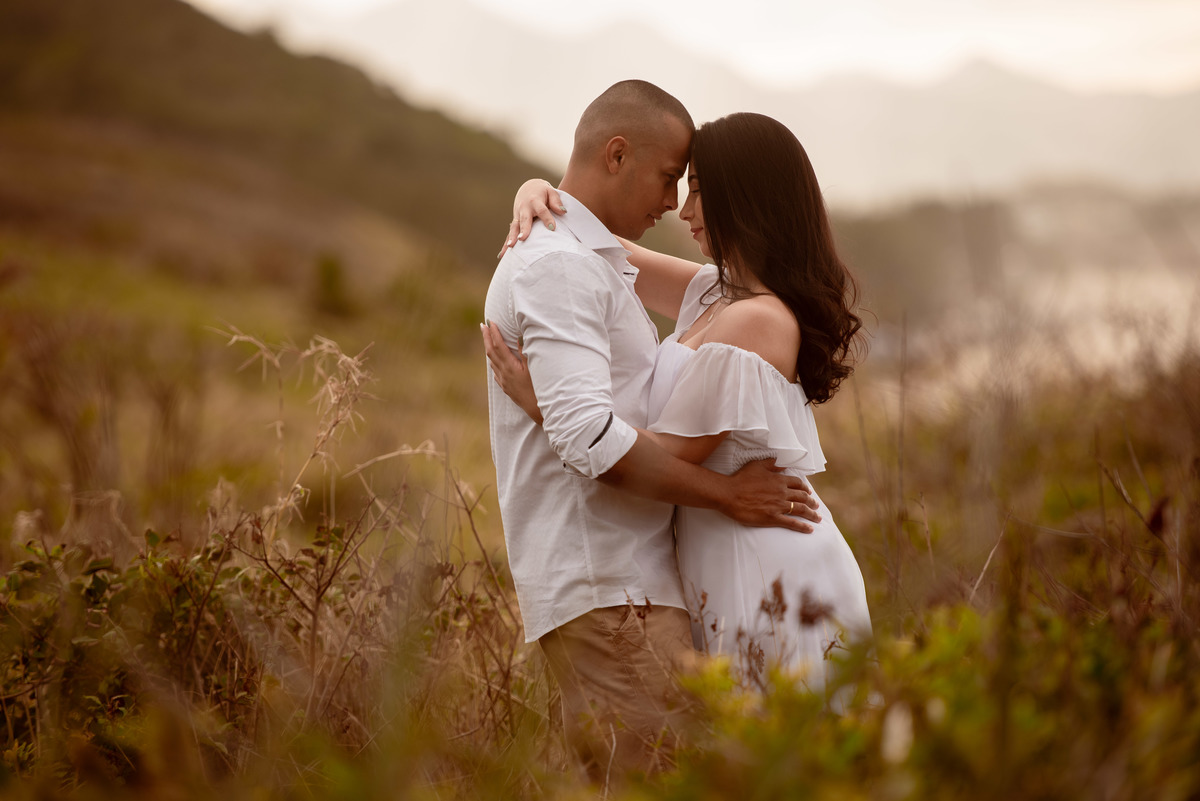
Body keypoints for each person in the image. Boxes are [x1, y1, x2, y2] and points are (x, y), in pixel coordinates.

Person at [482, 83, 820, 782]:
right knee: (685, 778)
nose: (676, 205)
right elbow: (592, 437)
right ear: (616, 154)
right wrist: (536, 188)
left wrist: (547, 408)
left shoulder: (720, 302)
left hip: (675, 572)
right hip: (615, 580)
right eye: (672, 179)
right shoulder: (568, 267)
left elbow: (591, 429)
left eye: (693, 187)